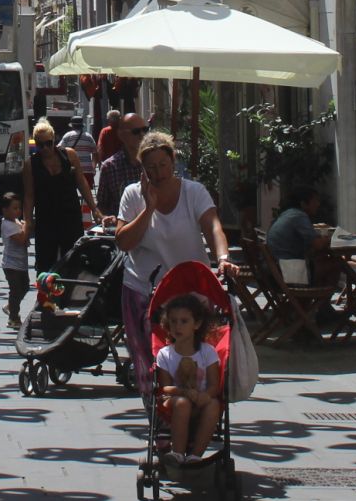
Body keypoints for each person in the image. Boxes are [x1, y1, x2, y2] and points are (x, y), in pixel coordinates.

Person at [114, 131, 237, 400]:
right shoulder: (133, 195)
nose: (158, 173)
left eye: (163, 166)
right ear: (142, 169)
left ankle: (194, 415)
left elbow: (213, 227)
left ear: (173, 163)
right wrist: (148, 209)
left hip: (188, 292)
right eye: (151, 168)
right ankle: (158, 422)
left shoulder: (193, 192)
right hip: (143, 290)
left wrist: (223, 258)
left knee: (195, 358)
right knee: (150, 362)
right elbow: (123, 242)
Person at [154, 291, 224, 464]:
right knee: (182, 403)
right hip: (173, 400)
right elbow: (165, 388)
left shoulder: (207, 352)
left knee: (214, 404)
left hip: (201, 399)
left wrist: (204, 396)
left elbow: (214, 385)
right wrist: (185, 392)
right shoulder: (165, 354)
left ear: (197, 324)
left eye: (184, 321)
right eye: (173, 321)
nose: (178, 327)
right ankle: (177, 453)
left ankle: (195, 456)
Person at [22, 118, 95, 276]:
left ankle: (69, 296)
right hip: (46, 218)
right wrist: (27, 221)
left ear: (54, 140)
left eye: (49, 143)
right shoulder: (31, 164)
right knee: (45, 264)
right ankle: (46, 297)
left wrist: (95, 209)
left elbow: (82, 183)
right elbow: (29, 196)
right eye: (40, 145)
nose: (45, 148)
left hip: (70, 216)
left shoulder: (69, 155)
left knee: (73, 260)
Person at [266, 186, 332, 286]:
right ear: (303, 203)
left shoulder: (286, 214)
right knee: (335, 265)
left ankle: (314, 299)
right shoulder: (299, 216)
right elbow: (318, 245)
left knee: (320, 259)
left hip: (275, 271)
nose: (318, 204)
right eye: (315, 201)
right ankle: (320, 300)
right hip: (289, 272)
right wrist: (331, 239)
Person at [93, 110, 148, 230]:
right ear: (121, 135)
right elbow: (101, 206)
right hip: (123, 233)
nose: (142, 135)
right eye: (136, 131)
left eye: (145, 130)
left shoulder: (155, 163)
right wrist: (105, 218)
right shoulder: (110, 167)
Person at [0, 193, 30, 329]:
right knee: (15, 289)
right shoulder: (7, 225)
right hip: (11, 264)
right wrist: (26, 226)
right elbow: (21, 239)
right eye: (14, 208)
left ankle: (11, 306)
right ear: (5, 210)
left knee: (25, 286)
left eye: (19, 208)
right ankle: (14, 318)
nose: (18, 211)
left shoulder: (16, 222)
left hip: (21, 263)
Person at [60, 119, 97, 197]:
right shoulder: (89, 137)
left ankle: (73, 208)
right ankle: (86, 209)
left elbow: (59, 149)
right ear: (82, 126)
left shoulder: (68, 136)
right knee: (87, 193)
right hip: (87, 170)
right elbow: (95, 153)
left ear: (72, 126)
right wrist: (93, 168)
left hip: (72, 169)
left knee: (71, 192)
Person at [95, 109, 123, 173]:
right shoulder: (124, 130)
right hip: (123, 162)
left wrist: (100, 162)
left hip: (108, 163)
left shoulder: (105, 131)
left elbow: (100, 148)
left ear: (109, 120)